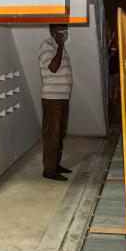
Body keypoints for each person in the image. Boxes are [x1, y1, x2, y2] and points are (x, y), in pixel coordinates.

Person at [38, 23, 73, 181]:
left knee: (60, 133)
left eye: (66, 28)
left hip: (62, 97)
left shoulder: (60, 46)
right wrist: (60, 47)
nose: (65, 31)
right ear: (53, 31)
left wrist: (61, 46)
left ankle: (55, 164)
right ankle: (49, 170)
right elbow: (53, 67)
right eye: (61, 29)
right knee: (52, 133)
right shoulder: (46, 46)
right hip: (52, 98)